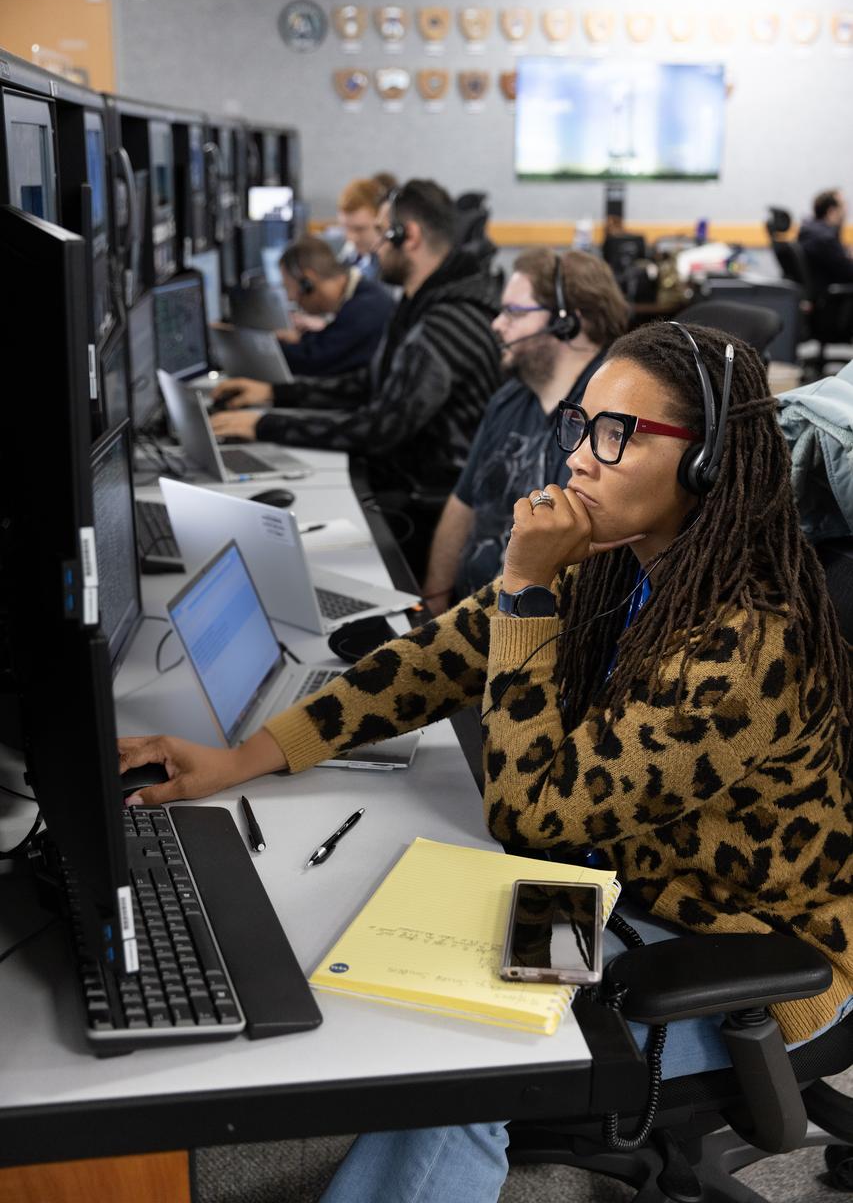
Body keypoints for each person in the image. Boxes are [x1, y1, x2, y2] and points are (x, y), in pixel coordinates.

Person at [121, 322, 853, 1202]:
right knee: (377, 947)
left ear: (706, 464)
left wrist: (527, 590)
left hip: (731, 953)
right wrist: (243, 757)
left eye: (617, 434)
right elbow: (437, 658)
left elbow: (533, 814)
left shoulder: (746, 645)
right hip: (619, 887)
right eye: (579, 425)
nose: (581, 457)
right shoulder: (625, 565)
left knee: (465, 1056)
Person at [210, 179, 501, 574]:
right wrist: (274, 394)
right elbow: (370, 383)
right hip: (407, 487)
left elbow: (381, 428)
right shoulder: (420, 304)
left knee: (283, 554)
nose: (370, 248)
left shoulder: (444, 323)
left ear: (408, 236)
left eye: (380, 233)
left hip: (424, 510)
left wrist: (264, 426)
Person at [423, 249, 628, 612]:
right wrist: (433, 605)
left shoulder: (606, 421)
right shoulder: (508, 400)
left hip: (531, 628)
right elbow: (463, 504)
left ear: (568, 323)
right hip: (463, 625)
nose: (497, 325)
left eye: (514, 313)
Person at [270, 235, 395, 376]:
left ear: (308, 281)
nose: (290, 298)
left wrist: (269, 347)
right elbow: (331, 338)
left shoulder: (367, 307)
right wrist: (301, 339)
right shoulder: (359, 295)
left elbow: (315, 360)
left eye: (288, 288)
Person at [798, 189, 853, 292]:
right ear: (832, 211)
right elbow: (848, 273)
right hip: (831, 298)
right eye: (843, 206)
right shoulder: (825, 239)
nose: (846, 211)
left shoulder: (810, 230)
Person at [336, 177, 387, 280]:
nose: (351, 238)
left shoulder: (393, 268)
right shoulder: (341, 257)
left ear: (381, 222)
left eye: (359, 229)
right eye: (345, 228)